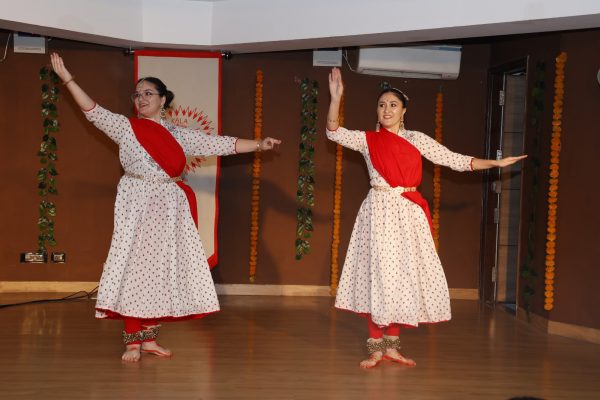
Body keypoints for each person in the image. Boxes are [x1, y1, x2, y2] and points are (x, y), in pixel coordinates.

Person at [50, 53, 281, 362]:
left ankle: (149, 340)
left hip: (168, 206)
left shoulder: (179, 134)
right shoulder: (126, 128)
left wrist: (259, 144)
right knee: (134, 267)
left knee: (160, 269)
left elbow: (221, 144)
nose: (141, 98)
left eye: (148, 93)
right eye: (137, 94)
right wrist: (68, 78)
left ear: (163, 100)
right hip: (136, 200)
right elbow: (92, 111)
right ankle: (132, 340)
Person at [326, 67, 526, 369]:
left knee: (402, 277)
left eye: (393, 104)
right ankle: (375, 348)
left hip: (408, 213)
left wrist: (495, 162)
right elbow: (332, 131)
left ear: (404, 110)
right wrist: (335, 97)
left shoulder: (416, 139)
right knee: (378, 276)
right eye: (381, 105)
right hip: (378, 211)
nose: (386, 109)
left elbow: (454, 160)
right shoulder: (367, 140)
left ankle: (392, 348)